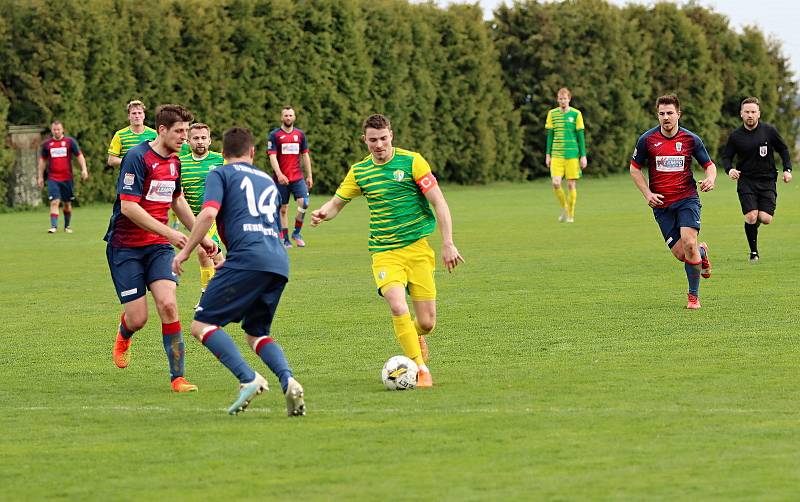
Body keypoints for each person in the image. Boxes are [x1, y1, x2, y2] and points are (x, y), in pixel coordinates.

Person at [311, 114, 464, 388]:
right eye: (373, 140)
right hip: (384, 252)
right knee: (396, 305)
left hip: (418, 249)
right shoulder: (360, 171)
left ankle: (414, 335)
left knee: (427, 323)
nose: (379, 144)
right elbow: (336, 203)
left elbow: (439, 202)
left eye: (383, 138)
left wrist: (448, 242)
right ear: (364, 140)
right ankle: (420, 368)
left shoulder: (412, 162)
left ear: (391, 135)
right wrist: (324, 213)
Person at [172, 127, 306, 417]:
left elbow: (208, 213)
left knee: (202, 325)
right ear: (253, 152)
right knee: (256, 333)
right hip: (277, 262)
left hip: (248, 259)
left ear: (223, 152)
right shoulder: (267, 181)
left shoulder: (220, 173)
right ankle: (289, 380)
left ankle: (249, 378)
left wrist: (184, 251)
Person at [104, 104, 217, 393]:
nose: (184, 137)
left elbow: (177, 201)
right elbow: (129, 208)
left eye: (186, 132)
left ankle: (177, 378)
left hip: (157, 247)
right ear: (163, 130)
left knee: (168, 304)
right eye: (179, 131)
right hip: (125, 247)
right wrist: (171, 233)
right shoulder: (136, 157)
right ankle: (125, 331)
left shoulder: (175, 161)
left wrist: (201, 236)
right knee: (138, 318)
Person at [629, 95, 716, 310]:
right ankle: (702, 253)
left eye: (670, 113)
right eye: (662, 113)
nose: (666, 117)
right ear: (657, 115)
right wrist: (648, 194)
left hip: (687, 199)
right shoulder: (647, 140)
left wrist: (710, 178)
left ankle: (693, 297)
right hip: (661, 205)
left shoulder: (691, 139)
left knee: (688, 243)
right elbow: (634, 168)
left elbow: (709, 165)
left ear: (679, 114)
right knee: (681, 254)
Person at [720, 97, 793, 263]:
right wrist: (729, 169)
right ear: (741, 114)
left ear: (759, 113)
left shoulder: (769, 131)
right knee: (752, 216)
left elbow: (783, 149)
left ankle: (754, 226)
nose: (750, 115)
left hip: (767, 180)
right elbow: (726, 157)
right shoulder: (736, 136)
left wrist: (787, 169)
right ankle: (753, 252)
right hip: (746, 181)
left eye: (753, 112)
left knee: (765, 219)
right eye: (747, 112)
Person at [178, 123, 226, 295]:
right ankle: (229, 284)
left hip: (215, 215)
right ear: (188, 141)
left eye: (203, 138)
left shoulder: (220, 160)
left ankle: (208, 295)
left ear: (210, 140)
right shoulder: (180, 163)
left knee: (203, 251)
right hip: (193, 218)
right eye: (196, 138)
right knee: (215, 253)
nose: (200, 141)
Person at [267, 106, 313, 248]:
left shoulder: (300, 135)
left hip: (297, 177)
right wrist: (279, 174)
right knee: (283, 209)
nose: (288, 118)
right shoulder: (274, 135)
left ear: (294, 117)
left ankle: (296, 233)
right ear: (282, 118)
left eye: (290, 115)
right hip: (281, 179)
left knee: (304, 202)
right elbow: (272, 157)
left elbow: (305, 155)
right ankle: (285, 238)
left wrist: (309, 175)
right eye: (285, 115)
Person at [37, 121, 89, 233]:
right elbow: (42, 161)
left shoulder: (70, 142)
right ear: (52, 130)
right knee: (54, 202)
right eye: (54, 129)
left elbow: (79, 156)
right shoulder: (47, 145)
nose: (56, 131)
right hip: (53, 178)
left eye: (58, 129)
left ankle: (67, 226)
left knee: (67, 203)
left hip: (67, 178)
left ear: (62, 129)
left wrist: (84, 169)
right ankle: (54, 226)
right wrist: (40, 177)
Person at [545, 88, 587, 223]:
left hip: (572, 155)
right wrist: (548, 154)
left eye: (565, 98)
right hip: (556, 154)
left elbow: (581, 137)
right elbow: (550, 136)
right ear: (558, 100)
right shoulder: (552, 114)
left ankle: (570, 215)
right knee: (556, 183)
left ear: (569, 99)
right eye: (560, 98)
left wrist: (583, 155)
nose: (563, 101)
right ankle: (565, 207)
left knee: (570, 185)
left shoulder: (576, 114)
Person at [107, 100, 158, 168]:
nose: (137, 116)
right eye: (134, 113)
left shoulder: (154, 134)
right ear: (129, 116)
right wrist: (130, 161)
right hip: (127, 176)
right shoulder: (120, 135)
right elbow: (111, 160)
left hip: (150, 176)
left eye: (139, 113)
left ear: (144, 115)